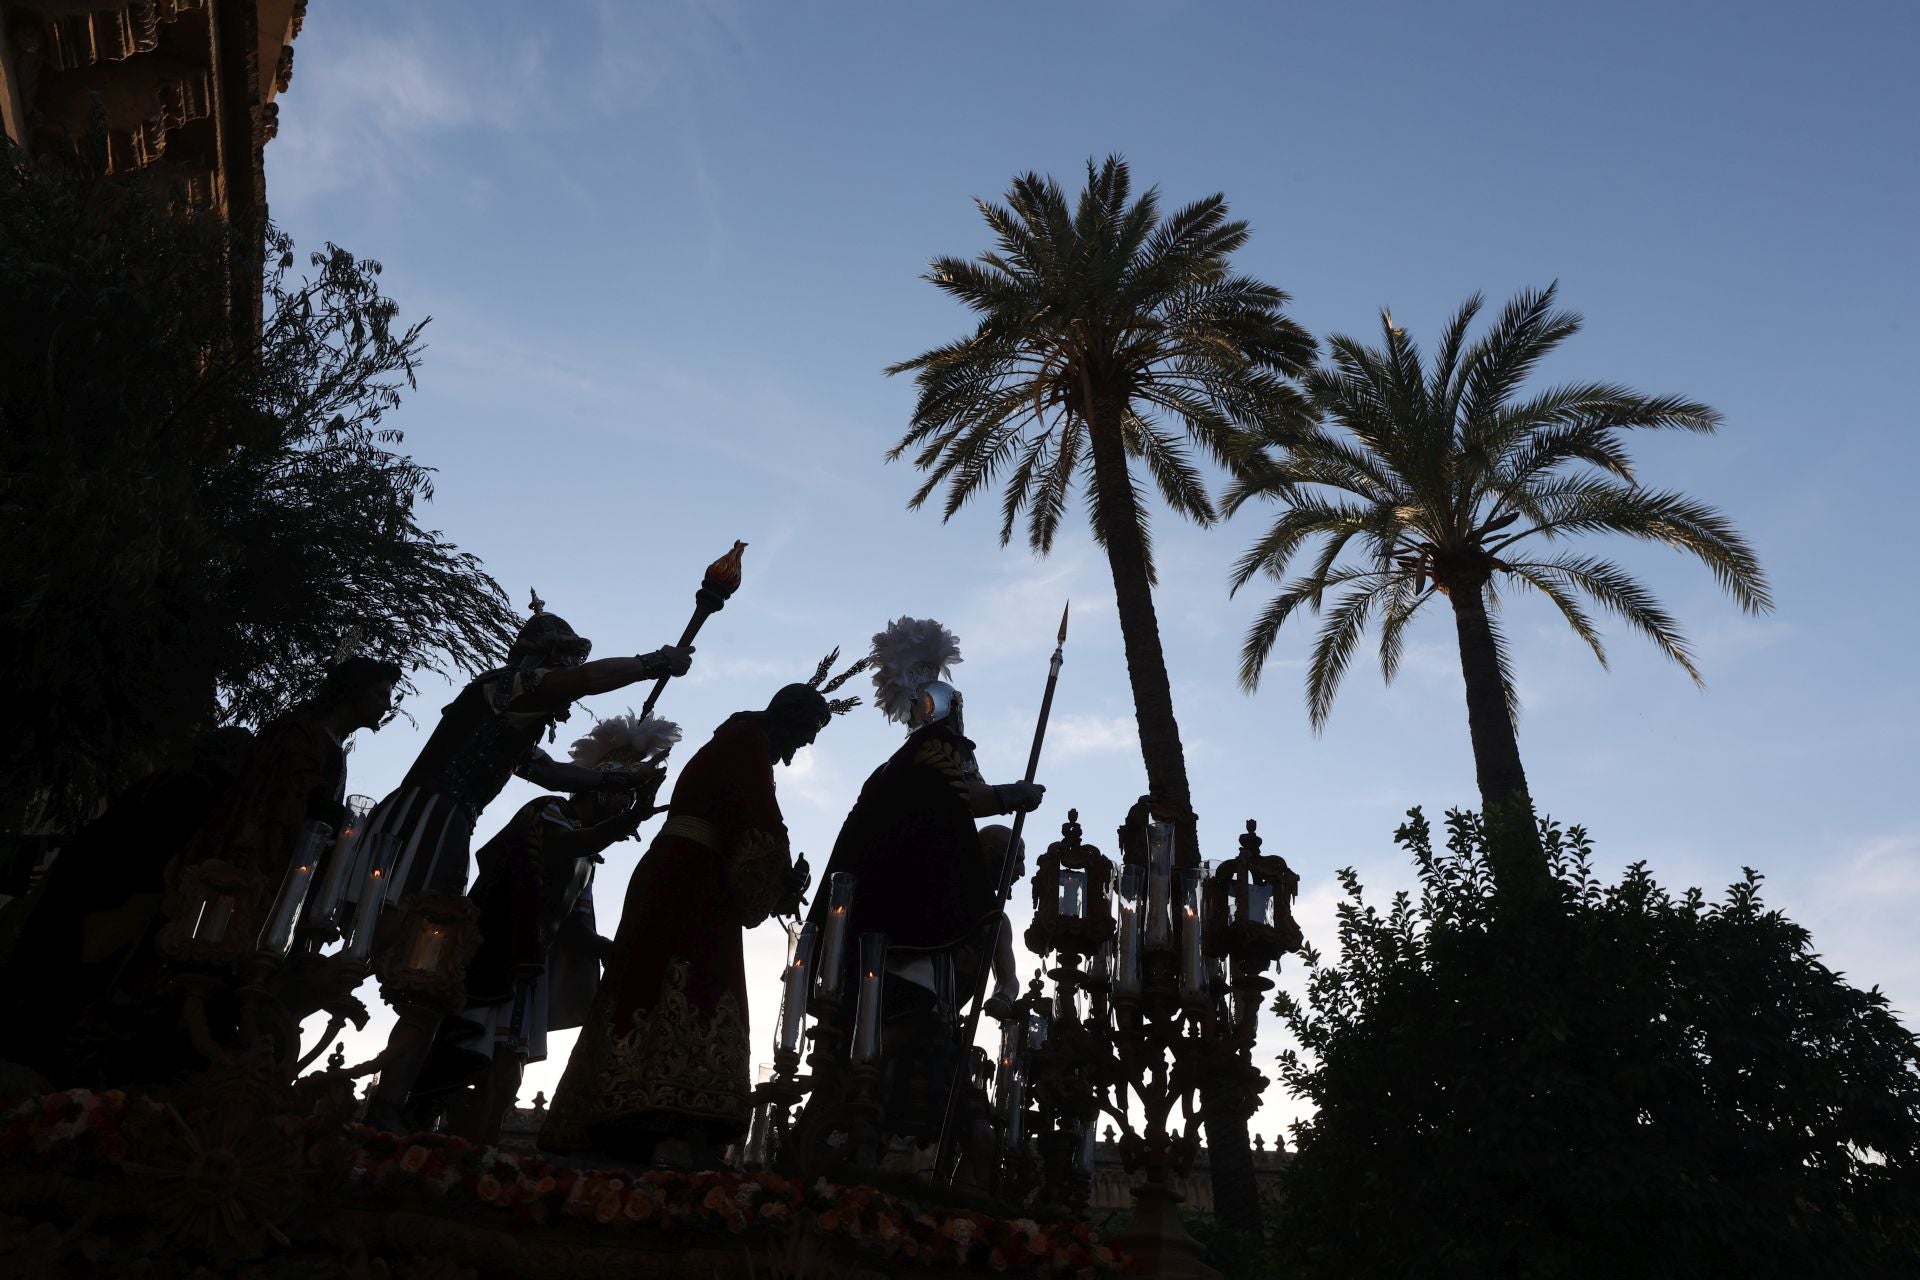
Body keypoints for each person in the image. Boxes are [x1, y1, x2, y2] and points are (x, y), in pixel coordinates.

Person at [358, 594, 694, 1133]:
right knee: (396, 952)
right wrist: (653, 663)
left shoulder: (515, 726)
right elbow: (585, 682)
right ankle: (386, 1098)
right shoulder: (507, 686)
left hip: (448, 827)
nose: (567, 680)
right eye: (563, 666)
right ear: (545, 662)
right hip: (426, 818)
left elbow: (553, 772)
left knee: (428, 977)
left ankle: (389, 1105)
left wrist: (619, 780)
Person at [539, 650, 866, 1167]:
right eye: (808, 732)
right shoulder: (747, 743)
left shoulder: (737, 740)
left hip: (687, 875)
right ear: (791, 716)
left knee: (650, 980)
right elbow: (755, 819)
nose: (805, 745)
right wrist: (782, 879)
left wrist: (777, 876)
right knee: (689, 984)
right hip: (690, 884)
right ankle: (666, 1109)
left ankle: (635, 1106)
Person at [805, 617, 1043, 1145]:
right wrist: (1015, 795)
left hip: (878, 904)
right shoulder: (936, 750)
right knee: (909, 1018)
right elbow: (968, 797)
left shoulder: (896, 766)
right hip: (909, 905)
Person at [407, 713, 682, 1143]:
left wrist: (605, 949)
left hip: (529, 960)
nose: (624, 807)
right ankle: (415, 1135)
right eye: (620, 796)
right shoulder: (549, 811)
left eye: (627, 801)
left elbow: (573, 922)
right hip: (496, 951)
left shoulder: (588, 856)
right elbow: (569, 845)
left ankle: (478, 1148)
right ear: (598, 788)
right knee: (465, 1052)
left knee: (508, 1063)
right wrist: (633, 816)